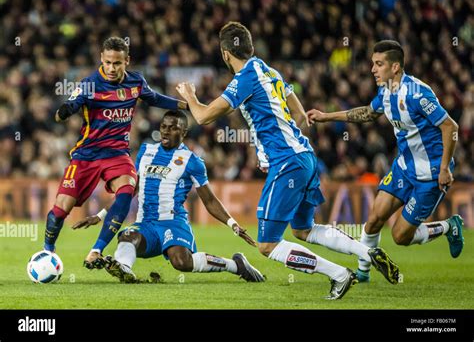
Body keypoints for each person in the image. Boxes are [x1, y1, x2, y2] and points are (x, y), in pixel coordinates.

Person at [176, 21, 399, 300]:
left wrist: (191, 97)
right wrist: (294, 123)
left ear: (224, 54)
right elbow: (293, 101)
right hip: (305, 157)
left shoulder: (245, 77)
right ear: (251, 47)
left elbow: (203, 117)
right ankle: (368, 251)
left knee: (267, 245)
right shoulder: (269, 70)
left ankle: (339, 274)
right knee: (303, 230)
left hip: (288, 162)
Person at [307, 40, 464, 283]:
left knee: (401, 236)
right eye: (373, 64)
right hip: (403, 167)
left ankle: (448, 226)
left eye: (379, 64)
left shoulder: (418, 94)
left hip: (430, 174)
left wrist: (444, 168)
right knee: (374, 218)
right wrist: (326, 116)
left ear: (396, 68)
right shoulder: (385, 92)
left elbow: (450, 127)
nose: (373, 69)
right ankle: (363, 272)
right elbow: (368, 114)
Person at [43, 37, 188, 269]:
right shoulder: (90, 84)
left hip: (116, 154)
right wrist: (65, 110)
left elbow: (155, 99)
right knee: (61, 209)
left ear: (126, 61)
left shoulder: (136, 82)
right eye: (108, 62)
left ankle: (96, 249)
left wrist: (185, 105)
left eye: (117, 63)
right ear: (101, 58)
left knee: (128, 188)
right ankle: (47, 250)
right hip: (86, 155)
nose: (112, 68)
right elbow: (70, 104)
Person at [73, 111, 264, 283]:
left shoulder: (192, 162)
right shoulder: (146, 152)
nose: (166, 131)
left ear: (184, 133)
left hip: (173, 222)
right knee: (127, 236)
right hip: (146, 224)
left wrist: (233, 225)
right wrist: (101, 215)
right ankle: (123, 268)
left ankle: (236, 265)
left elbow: (210, 200)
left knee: (181, 262)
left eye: (173, 128)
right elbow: (130, 191)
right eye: (164, 127)